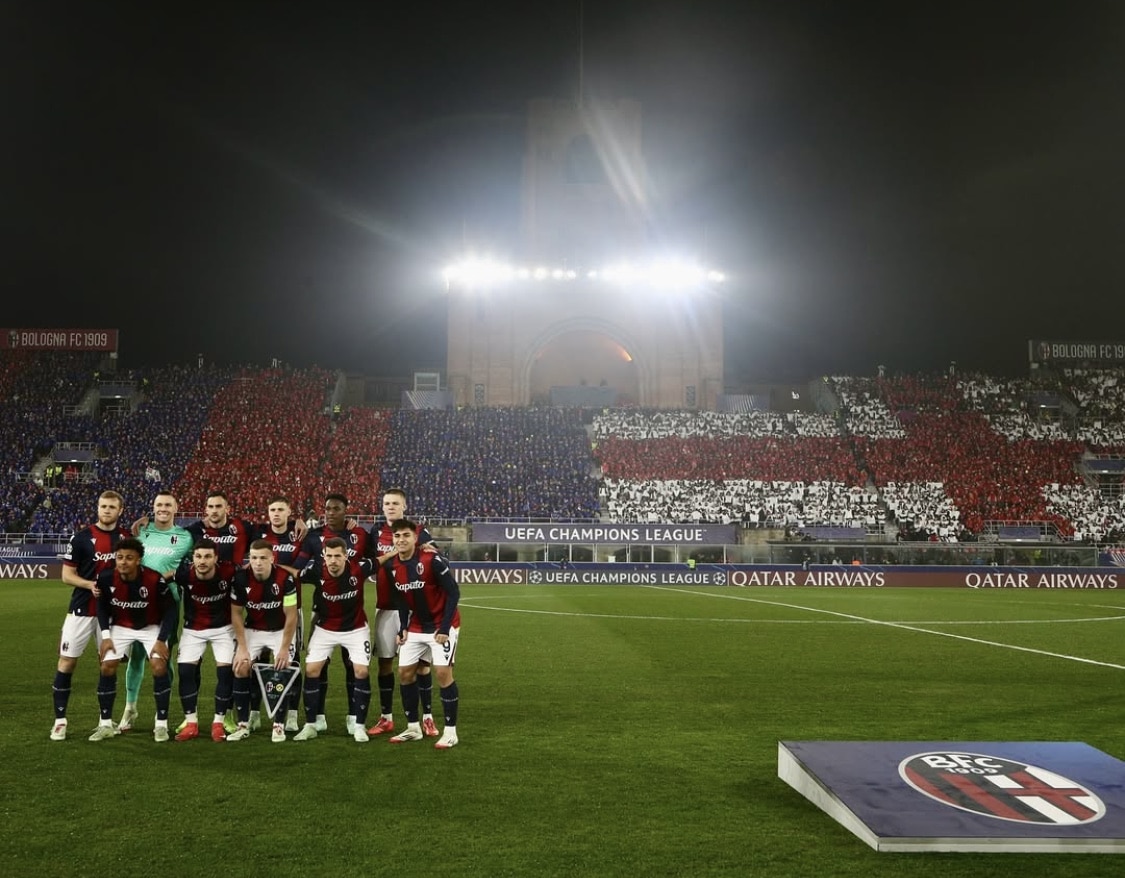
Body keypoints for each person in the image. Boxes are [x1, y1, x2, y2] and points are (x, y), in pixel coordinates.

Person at [50, 490, 131, 740]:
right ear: (98, 508)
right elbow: (67, 576)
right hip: (82, 609)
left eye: (111, 507)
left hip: (114, 612)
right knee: (67, 661)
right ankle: (60, 721)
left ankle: (105, 721)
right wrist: (89, 585)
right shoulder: (82, 538)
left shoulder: (126, 538)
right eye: (103, 506)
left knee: (108, 665)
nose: (106, 510)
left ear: (120, 511)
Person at [292, 493, 369, 734]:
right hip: (322, 611)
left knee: (352, 665)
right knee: (319, 665)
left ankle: (353, 717)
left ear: (346, 511)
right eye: (327, 509)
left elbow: (378, 555)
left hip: (352, 612)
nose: (330, 513)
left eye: (336, 508)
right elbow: (297, 567)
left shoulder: (359, 535)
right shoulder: (314, 537)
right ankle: (318, 717)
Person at [118, 491, 194, 733]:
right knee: (136, 655)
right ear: (153, 507)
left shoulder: (185, 537)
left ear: (176, 508)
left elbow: (193, 566)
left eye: (168, 505)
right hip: (138, 602)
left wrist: (175, 576)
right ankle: (130, 708)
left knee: (162, 656)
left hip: (168, 602)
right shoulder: (142, 531)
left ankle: (163, 712)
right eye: (159, 504)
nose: (163, 508)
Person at [88, 538, 178, 742]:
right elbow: (101, 607)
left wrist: (161, 639)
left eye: (129, 558)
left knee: (159, 666)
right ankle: (105, 724)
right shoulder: (105, 577)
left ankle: (161, 724)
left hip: (151, 626)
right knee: (107, 666)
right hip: (121, 626)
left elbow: (170, 610)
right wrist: (105, 636)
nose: (123, 562)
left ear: (138, 560)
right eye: (119, 557)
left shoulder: (154, 579)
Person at [366, 488, 438, 737]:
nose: (390, 507)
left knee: (421, 666)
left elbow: (433, 555)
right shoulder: (375, 532)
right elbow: (366, 559)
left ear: (404, 506)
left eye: (395, 503)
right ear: (382, 506)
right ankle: (386, 717)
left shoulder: (418, 531)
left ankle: (427, 717)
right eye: (387, 503)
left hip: (416, 610)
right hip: (386, 606)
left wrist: (428, 548)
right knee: (385, 663)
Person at [384, 519, 461, 749]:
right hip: (416, 625)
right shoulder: (391, 566)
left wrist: (445, 628)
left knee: (442, 673)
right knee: (405, 673)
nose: (401, 540)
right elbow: (400, 600)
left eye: (406, 535)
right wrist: (402, 627)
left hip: (442, 624)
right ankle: (413, 728)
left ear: (415, 538)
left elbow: (454, 592)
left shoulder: (431, 560)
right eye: (397, 536)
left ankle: (450, 732)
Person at [229, 540, 299, 742]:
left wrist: (284, 649)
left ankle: (278, 725)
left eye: (262, 558)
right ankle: (243, 725)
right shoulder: (240, 578)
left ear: (272, 558)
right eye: (253, 558)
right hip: (253, 629)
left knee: (282, 667)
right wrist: (242, 648)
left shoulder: (285, 579)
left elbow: (291, 615)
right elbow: (236, 614)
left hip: (280, 630)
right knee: (240, 667)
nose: (257, 562)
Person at [172, 539, 239, 742]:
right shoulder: (184, 574)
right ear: (193, 558)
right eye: (198, 556)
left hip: (224, 629)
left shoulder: (229, 572)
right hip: (193, 629)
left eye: (208, 556)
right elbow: (165, 577)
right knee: (185, 672)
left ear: (216, 558)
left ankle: (218, 723)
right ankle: (191, 723)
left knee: (225, 673)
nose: (202, 561)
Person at [249, 495, 306, 732]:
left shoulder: (299, 535)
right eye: (272, 509)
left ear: (289, 512)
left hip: (290, 608)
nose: (276, 513)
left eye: (281, 509)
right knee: (256, 663)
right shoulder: (259, 534)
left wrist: (301, 520)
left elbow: (298, 571)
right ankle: (254, 713)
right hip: (259, 608)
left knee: (291, 662)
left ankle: (292, 714)